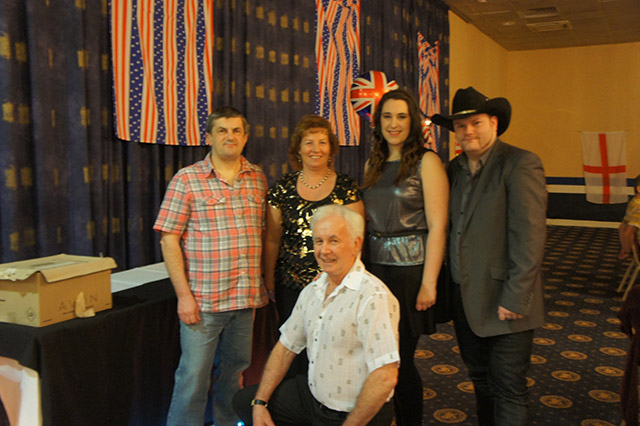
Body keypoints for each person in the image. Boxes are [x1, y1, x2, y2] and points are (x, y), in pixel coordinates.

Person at [431, 86, 547, 426]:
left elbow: (529, 236)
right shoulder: (453, 169)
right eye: (461, 125)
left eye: (476, 123)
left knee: (508, 388)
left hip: (506, 300)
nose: (468, 131)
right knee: (480, 380)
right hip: (466, 299)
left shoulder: (520, 163)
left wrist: (516, 296)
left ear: (494, 123)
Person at [233, 204, 400, 426]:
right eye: (319, 241)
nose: (324, 250)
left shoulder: (373, 297)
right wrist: (260, 403)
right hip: (314, 400)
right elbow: (285, 348)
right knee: (245, 401)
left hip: (354, 414)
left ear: (356, 244)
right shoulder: (313, 290)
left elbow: (385, 376)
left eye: (334, 241)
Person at [153, 106, 268, 426]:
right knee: (193, 378)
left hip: (244, 301)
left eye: (236, 131)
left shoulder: (257, 178)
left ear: (245, 137)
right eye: (222, 131)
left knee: (234, 375)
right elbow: (169, 239)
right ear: (209, 137)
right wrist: (183, 296)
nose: (230, 137)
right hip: (203, 303)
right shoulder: (187, 179)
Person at [361, 88, 449, 426]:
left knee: (399, 360)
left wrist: (429, 283)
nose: (393, 124)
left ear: (412, 122)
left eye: (401, 116)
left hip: (410, 272)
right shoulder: (374, 163)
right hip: (375, 271)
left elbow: (438, 226)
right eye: (387, 116)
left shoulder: (427, 162)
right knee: (377, 358)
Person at [264, 114, 364, 327]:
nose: (316, 149)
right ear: (298, 150)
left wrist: (349, 280)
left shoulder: (346, 188)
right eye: (309, 143)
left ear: (331, 149)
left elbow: (356, 240)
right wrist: (268, 280)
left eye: (322, 142)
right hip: (290, 286)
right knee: (293, 342)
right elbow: (272, 240)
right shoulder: (282, 188)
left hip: (336, 284)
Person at [618, 174, 640, 259]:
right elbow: (628, 232)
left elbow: (622, 227)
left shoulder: (633, 202)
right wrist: (628, 250)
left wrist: (624, 248)